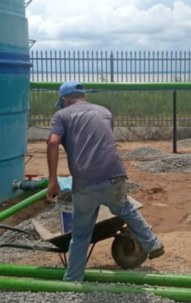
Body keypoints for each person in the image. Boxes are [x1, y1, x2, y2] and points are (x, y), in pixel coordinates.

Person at [46, 81, 165, 282]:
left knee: (81, 235)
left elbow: (53, 142)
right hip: (114, 176)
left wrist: (52, 181)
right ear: (82, 96)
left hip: (85, 183)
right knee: (126, 208)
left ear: (65, 100)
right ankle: (153, 244)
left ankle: (73, 279)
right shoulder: (104, 111)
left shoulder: (61, 115)